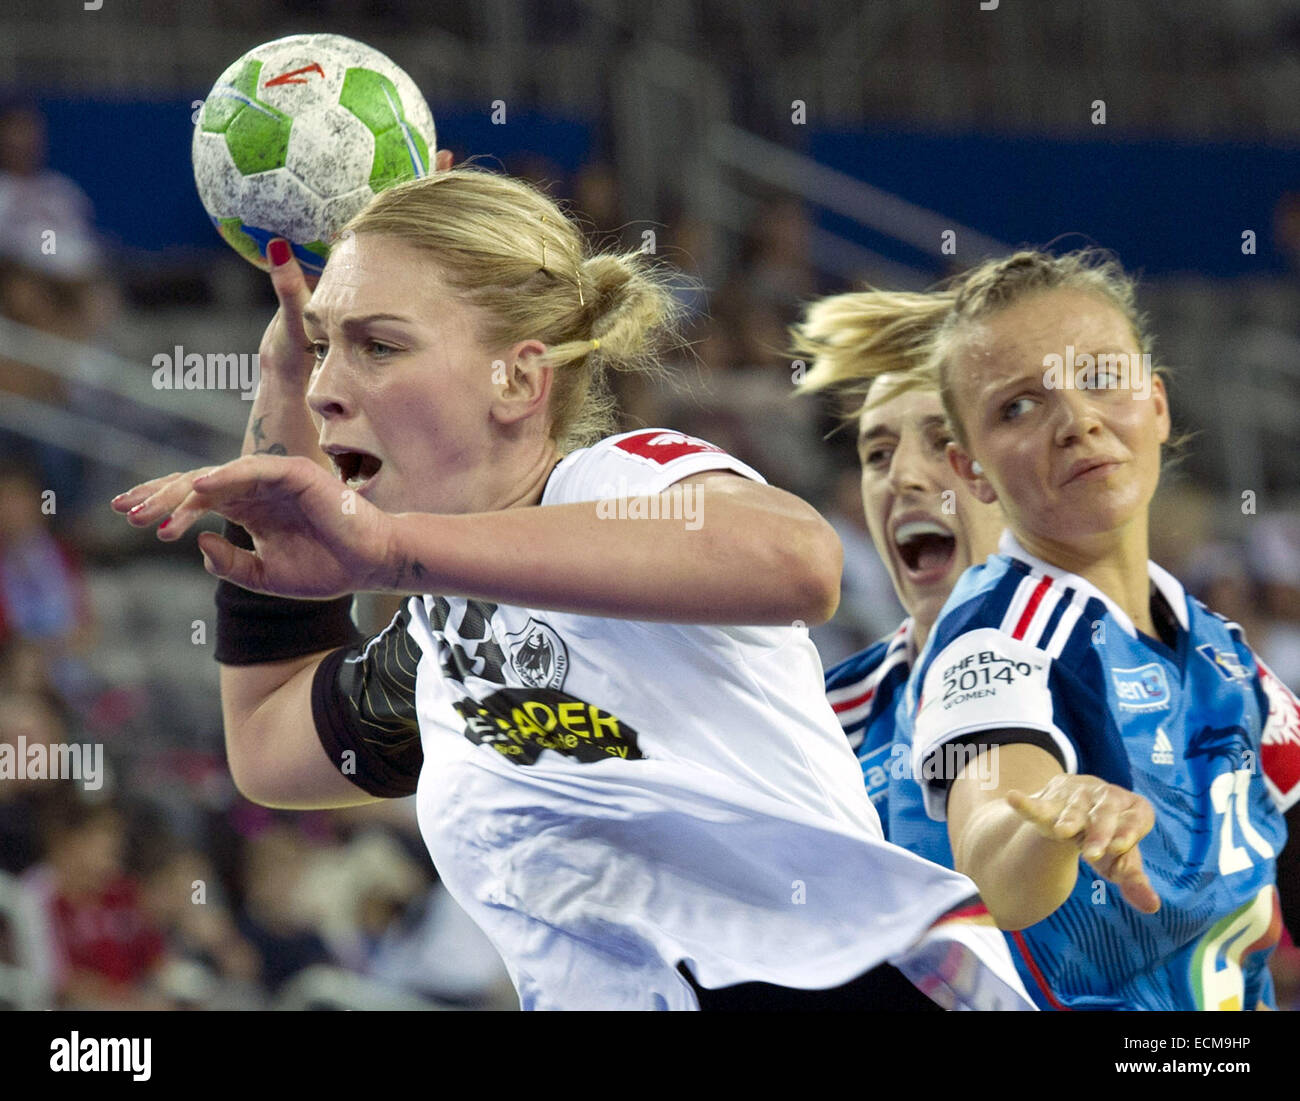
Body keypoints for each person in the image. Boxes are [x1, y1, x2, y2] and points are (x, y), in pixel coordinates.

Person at [111, 166, 1032, 1011]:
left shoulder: (615, 480)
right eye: (320, 349)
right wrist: (275, 415)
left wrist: (389, 548)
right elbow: (271, 749)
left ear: (518, 378)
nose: (327, 389)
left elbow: (798, 561)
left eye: (377, 346)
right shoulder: (438, 650)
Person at [889, 249, 1300, 1009]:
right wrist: (1051, 827)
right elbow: (993, 857)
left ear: (1158, 404)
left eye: (1103, 378)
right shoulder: (996, 633)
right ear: (971, 470)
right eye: (1018, 406)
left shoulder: (1218, 644)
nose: (1076, 419)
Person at [792, 289, 1003, 875]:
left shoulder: (1152, 665)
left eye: (943, 441)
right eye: (879, 454)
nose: (904, 477)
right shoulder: (826, 722)